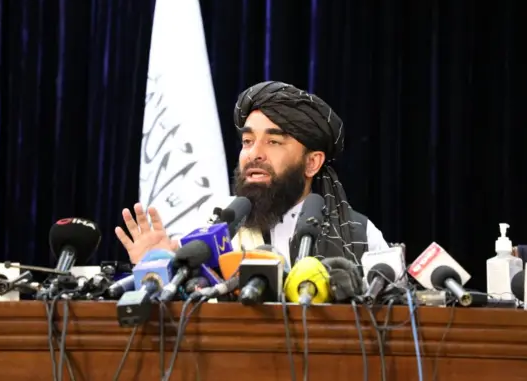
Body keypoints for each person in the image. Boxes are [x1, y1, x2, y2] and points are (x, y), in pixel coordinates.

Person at [115, 81, 388, 268]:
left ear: (312, 163)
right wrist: (157, 265)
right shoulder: (213, 227)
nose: (254, 154)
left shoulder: (360, 235)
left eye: (273, 142)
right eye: (247, 141)